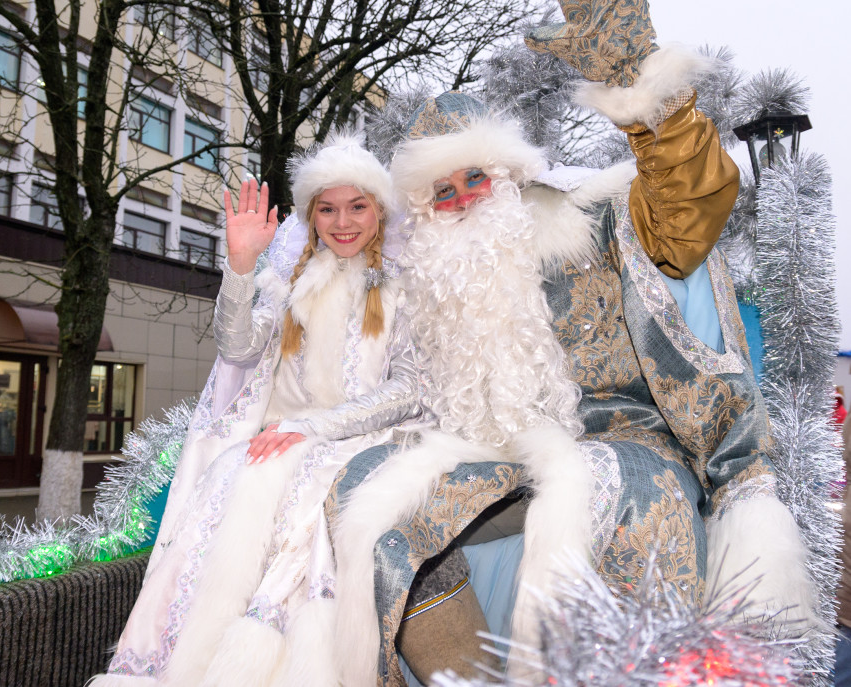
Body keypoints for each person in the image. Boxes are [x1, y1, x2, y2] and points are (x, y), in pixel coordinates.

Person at [325, 2, 819, 684]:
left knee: (613, 491)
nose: (463, 201)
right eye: (443, 191)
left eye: (475, 178)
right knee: (367, 495)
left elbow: (687, 207)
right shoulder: (432, 286)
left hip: (625, 440)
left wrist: (639, 81)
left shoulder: (587, 221)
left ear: (508, 176)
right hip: (493, 457)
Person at [90, 133, 423, 686]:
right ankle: (188, 663)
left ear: (380, 211)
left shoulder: (404, 290)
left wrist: (312, 429)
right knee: (234, 471)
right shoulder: (289, 286)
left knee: (305, 487)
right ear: (311, 217)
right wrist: (242, 266)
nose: (342, 221)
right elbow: (238, 348)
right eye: (328, 208)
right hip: (276, 442)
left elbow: (410, 389)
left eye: (357, 206)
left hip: (357, 444)